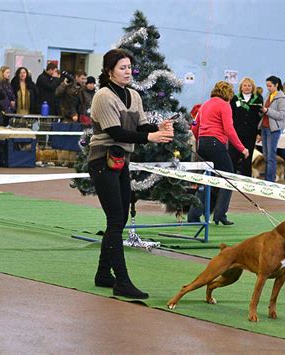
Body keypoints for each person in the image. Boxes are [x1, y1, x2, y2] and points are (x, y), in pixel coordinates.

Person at [88, 49, 174, 299]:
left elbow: (138, 126)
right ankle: (121, 281)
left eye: (129, 67)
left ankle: (104, 274)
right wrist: (151, 136)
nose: (128, 72)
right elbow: (116, 132)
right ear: (109, 71)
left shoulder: (134, 95)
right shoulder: (103, 96)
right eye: (123, 67)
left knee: (120, 218)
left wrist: (159, 128)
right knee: (116, 219)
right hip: (102, 159)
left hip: (121, 161)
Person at [188, 81, 249, 225]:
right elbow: (229, 129)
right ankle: (220, 214)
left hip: (202, 144)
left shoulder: (205, 105)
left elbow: (194, 128)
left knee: (206, 180)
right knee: (228, 177)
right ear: (228, 93)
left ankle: (193, 215)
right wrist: (242, 148)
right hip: (216, 144)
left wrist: (201, 141)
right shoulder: (225, 105)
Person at [228, 77, 263, 177]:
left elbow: (260, 117)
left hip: (251, 133)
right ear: (241, 87)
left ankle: (246, 179)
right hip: (236, 133)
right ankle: (231, 177)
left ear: (253, 87)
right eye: (245, 85)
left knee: (247, 158)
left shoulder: (258, 99)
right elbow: (231, 115)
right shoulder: (235, 99)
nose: (247, 87)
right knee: (233, 157)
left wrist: (259, 133)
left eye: (249, 85)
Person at [259, 76, 285, 182]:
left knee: (271, 156)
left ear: (276, 85)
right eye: (267, 86)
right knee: (266, 156)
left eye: (270, 86)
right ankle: (267, 178)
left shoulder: (282, 98)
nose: (268, 88)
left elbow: (282, 115)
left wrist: (267, 111)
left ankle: (270, 180)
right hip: (264, 128)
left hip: (273, 130)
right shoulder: (268, 95)